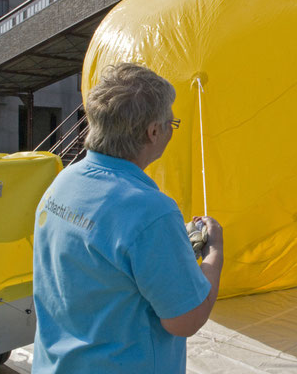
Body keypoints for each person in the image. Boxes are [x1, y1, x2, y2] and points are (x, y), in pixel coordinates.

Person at [33, 63, 224, 373]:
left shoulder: (62, 183)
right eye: (171, 122)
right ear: (153, 131)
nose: (170, 130)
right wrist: (214, 254)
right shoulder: (151, 211)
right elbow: (185, 319)